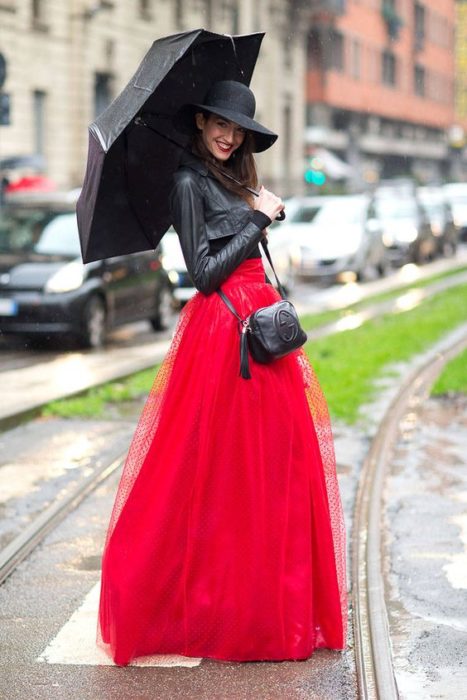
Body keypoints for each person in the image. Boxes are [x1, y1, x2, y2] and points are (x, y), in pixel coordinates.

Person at [98, 80, 347, 666]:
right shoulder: (186, 181)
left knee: (275, 470)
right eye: (219, 124)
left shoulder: (234, 178)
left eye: (238, 130)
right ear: (201, 121)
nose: (228, 136)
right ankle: (206, 606)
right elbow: (204, 273)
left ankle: (268, 601)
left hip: (264, 335)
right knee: (220, 474)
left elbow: (238, 241)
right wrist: (256, 221)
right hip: (225, 338)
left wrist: (260, 212)